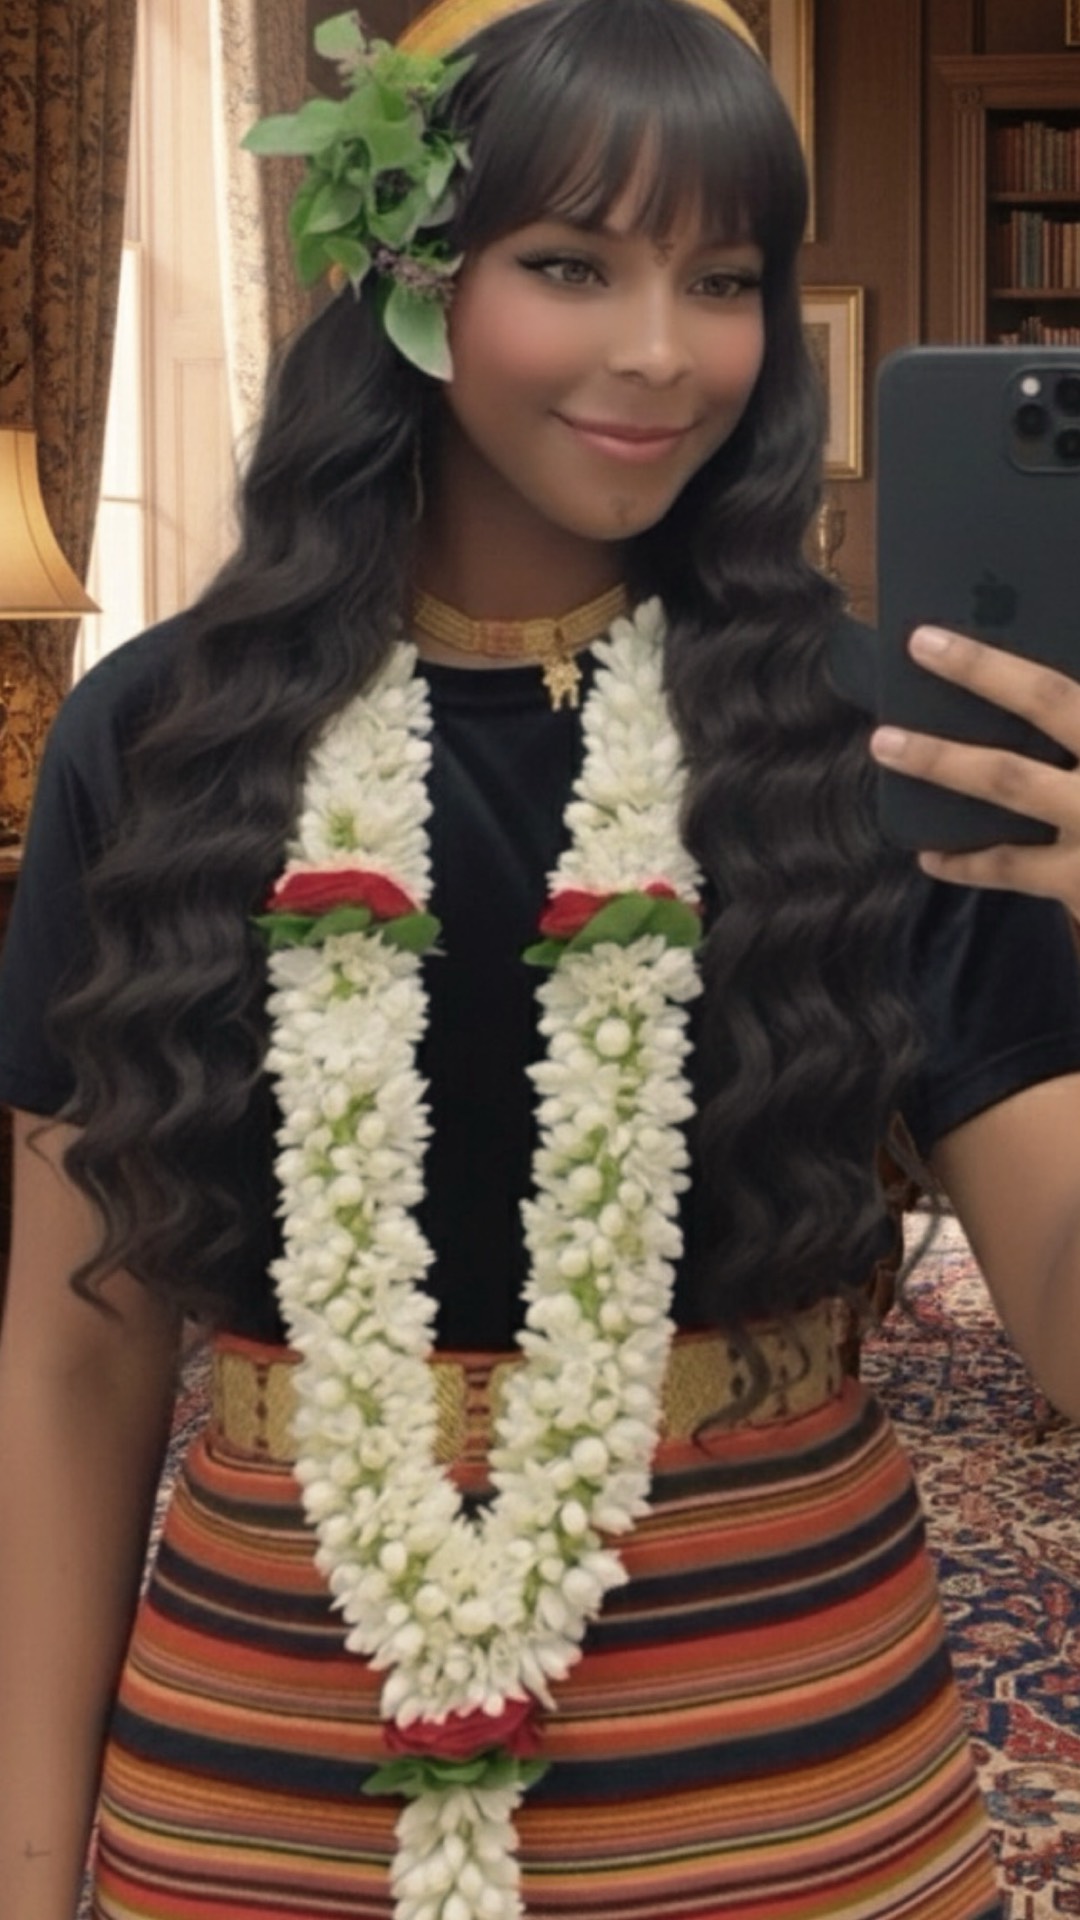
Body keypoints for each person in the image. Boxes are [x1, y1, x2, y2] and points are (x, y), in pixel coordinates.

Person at [1, 1, 1079, 1916]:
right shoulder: (158, 738)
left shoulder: (882, 743)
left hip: (794, 1762)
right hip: (264, 1766)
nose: (662, 351)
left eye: (723, 279)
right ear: (408, 282)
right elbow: (80, 1355)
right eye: (571, 263)